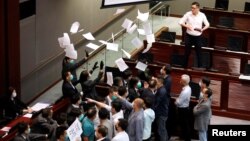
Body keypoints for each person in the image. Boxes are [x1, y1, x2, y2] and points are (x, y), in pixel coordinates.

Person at [179, 1, 210, 68]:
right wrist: (187, 26)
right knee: (187, 53)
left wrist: (202, 29)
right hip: (189, 36)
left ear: (198, 8)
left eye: (194, 8)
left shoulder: (202, 15)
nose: (192, 9)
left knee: (199, 54)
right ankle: (183, 68)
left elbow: (207, 24)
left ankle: (200, 68)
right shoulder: (188, 14)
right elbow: (180, 22)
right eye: (191, 8)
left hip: (198, 37)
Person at [153, 76, 170, 141]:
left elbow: (157, 102)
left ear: (160, 82)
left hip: (161, 114)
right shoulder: (161, 89)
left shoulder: (161, 91)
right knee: (163, 129)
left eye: (156, 82)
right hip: (162, 112)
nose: (156, 83)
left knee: (161, 130)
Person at [175, 74, 192, 141]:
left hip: (183, 109)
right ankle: (182, 137)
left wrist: (176, 101)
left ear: (184, 82)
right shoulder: (188, 88)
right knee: (183, 125)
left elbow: (179, 102)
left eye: (181, 80)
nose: (180, 81)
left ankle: (187, 139)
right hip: (184, 109)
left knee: (184, 125)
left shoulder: (185, 91)